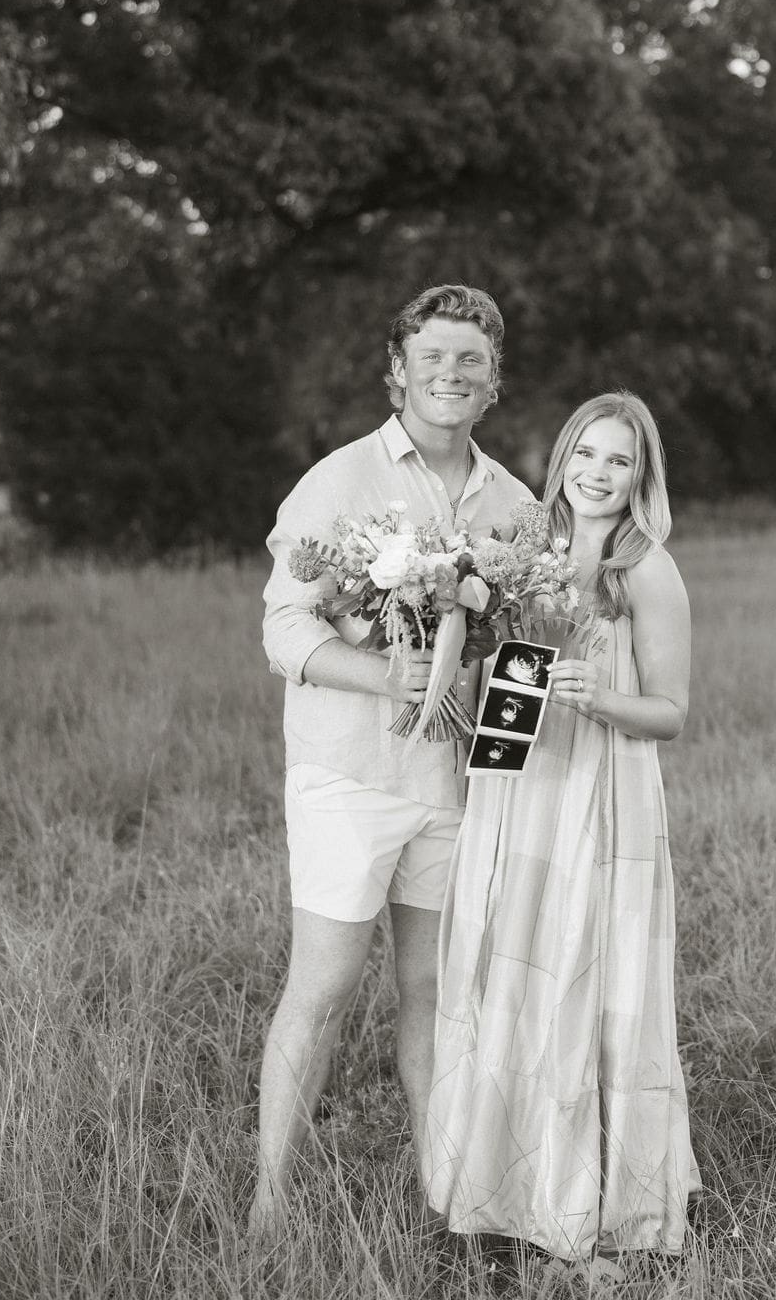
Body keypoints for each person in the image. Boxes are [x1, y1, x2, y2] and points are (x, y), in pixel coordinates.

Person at [251, 284, 533, 1238]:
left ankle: (441, 1192)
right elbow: (285, 626)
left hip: (457, 788)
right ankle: (268, 1208)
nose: (450, 374)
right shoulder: (338, 484)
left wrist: (508, 718)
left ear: (494, 381)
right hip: (351, 777)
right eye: (433, 357)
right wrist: (388, 679)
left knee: (436, 995)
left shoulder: (517, 503)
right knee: (323, 990)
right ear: (397, 371)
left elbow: (527, 647)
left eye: (470, 361)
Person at [423, 390, 700, 1267]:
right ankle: (504, 1188)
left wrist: (601, 696)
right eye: (586, 453)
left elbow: (672, 713)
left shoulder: (645, 570)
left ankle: (598, 1205)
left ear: (639, 475)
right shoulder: (521, 551)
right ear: (563, 457)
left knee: (589, 976)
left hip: (600, 791)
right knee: (511, 973)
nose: (597, 473)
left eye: (618, 460)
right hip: (520, 789)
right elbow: (490, 672)